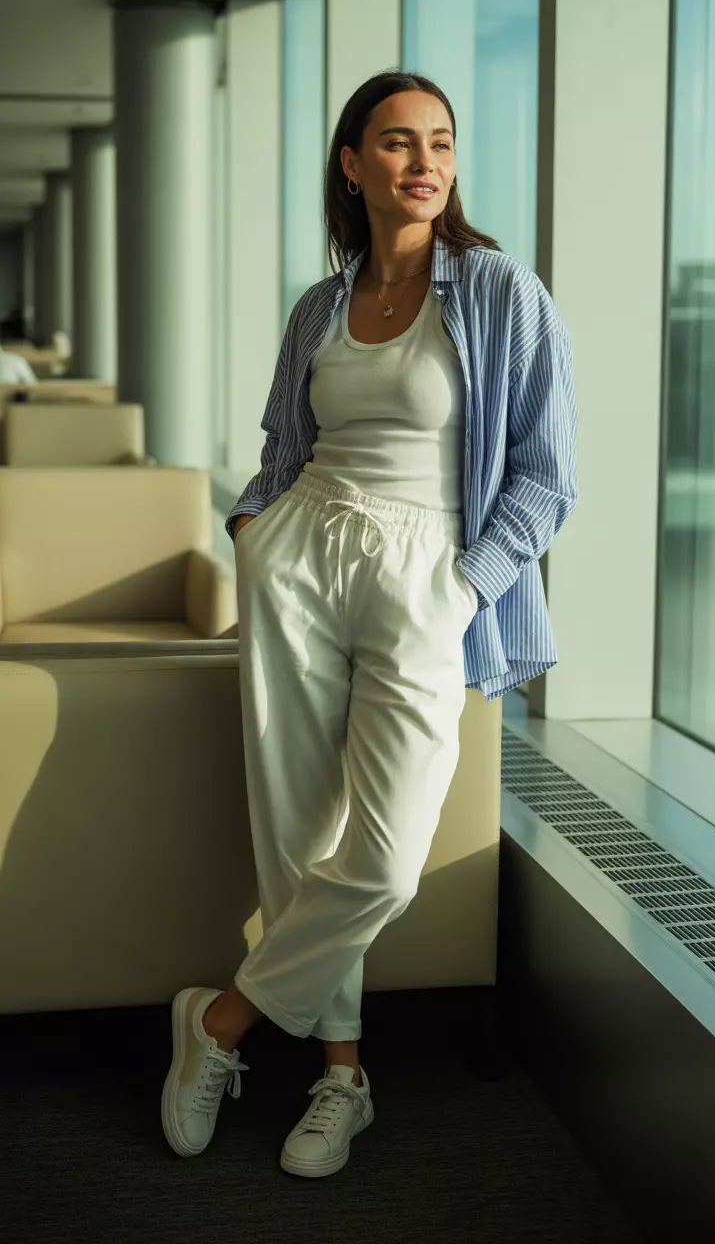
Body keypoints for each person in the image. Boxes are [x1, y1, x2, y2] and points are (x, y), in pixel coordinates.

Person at [161, 70, 579, 1177]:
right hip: (301, 555)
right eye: (397, 143)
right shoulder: (320, 305)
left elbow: (546, 479)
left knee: (385, 860)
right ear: (353, 164)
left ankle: (219, 1022)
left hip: (426, 571)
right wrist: (255, 535)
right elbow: (279, 455)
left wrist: (463, 587)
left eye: (439, 141)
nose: (425, 161)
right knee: (300, 835)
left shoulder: (498, 292)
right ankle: (342, 1076)